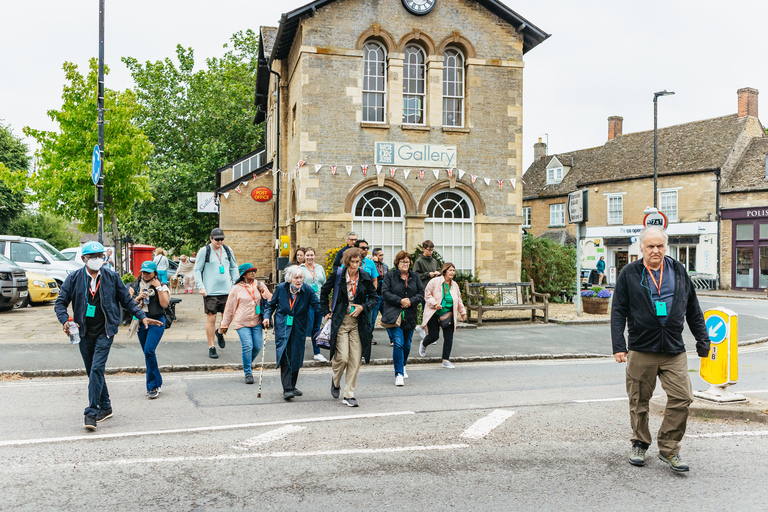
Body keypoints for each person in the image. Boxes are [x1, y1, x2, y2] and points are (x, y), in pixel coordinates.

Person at [611, 226, 710, 473]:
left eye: (659, 246)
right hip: (641, 348)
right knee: (639, 400)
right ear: (641, 248)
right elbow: (618, 311)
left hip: (673, 349)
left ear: (665, 247)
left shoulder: (678, 271)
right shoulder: (630, 273)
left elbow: (693, 309)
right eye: (650, 246)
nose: (655, 250)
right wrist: (618, 345)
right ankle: (640, 444)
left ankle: (669, 447)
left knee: (683, 397)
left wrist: (702, 340)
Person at [54, 241, 163, 430]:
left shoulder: (112, 277)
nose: (98, 260)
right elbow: (60, 303)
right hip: (83, 331)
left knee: (96, 369)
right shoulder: (74, 278)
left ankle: (91, 412)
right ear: (84, 259)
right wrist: (65, 320)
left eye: (100, 256)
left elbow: (127, 301)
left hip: (106, 331)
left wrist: (143, 317)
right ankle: (106, 406)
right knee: (92, 371)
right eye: (93, 257)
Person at [320, 247, 378, 407]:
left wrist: (363, 307)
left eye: (357, 262)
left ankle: (349, 395)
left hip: (358, 323)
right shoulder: (338, 275)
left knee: (355, 360)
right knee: (342, 357)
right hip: (341, 321)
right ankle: (335, 380)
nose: (354, 265)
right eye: (352, 262)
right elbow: (323, 292)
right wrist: (326, 311)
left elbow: (374, 297)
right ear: (347, 262)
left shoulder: (365, 276)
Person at [264, 267, 321, 400]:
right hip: (283, 325)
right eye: (296, 277)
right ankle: (287, 388)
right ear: (289, 279)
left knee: (296, 355)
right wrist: (267, 317)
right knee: (285, 355)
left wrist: (328, 314)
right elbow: (271, 305)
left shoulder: (307, 290)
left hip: (299, 327)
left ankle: (292, 385)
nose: (299, 280)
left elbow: (317, 305)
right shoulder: (281, 288)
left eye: (301, 277)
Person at [219, 263, 273, 384]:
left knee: (258, 346)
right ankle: (248, 372)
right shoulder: (236, 288)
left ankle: (246, 363)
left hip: (257, 321)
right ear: (244, 274)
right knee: (248, 345)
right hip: (242, 322)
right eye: (250, 271)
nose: (253, 273)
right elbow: (229, 308)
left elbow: (271, 299)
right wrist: (224, 325)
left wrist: (263, 291)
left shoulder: (260, 284)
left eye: (254, 271)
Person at [193, 227, 239, 359]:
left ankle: (220, 332)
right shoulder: (204, 251)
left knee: (227, 317)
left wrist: (235, 284)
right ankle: (211, 347)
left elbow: (233, 267)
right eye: (217, 239)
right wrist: (200, 286)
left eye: (222, 239)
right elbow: (197, 270)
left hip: (227, 290)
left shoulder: (227, 250)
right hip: (210, 291)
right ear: (211, 239)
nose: (220, 242)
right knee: (211, 317)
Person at [127, 261, 170, 399]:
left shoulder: (162, 286)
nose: (145, 275)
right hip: (141, 321)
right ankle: (157, 381)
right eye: (143, 272)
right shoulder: (135, 285)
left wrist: (158, 289)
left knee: (149, 351)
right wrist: (138, 298)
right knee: (148, 354)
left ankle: (152, 386)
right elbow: (128, 304)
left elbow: (164, 304)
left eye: (148, 272)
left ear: (154, 273)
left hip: (156, 322)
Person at [381, 251, 424, 386]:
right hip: (395, 314)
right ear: (397, 263)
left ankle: (403, 365)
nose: (405, 264)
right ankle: (398, 373)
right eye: (402, 261)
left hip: (410, 315)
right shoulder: (390, 276)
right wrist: (400, 301)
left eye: (407, 261)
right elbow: (385, 293)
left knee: (407, 344)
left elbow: (421, 293)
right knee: (398, 344)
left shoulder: (415, 277)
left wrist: (410, 301)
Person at [419, 262, 467, 368]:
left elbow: (458, 299)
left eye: (454, 270)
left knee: (448, 337)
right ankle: (424, 343)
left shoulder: (454, 285)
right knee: (434, 336)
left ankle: (445, 360)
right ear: (444, 271)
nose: (452, 272)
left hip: (448, 314)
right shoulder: (435, 281)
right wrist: (435, 304)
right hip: (434, 312)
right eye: (450, 270)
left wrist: (462, 312)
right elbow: (427, 294)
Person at [299, 247, 328, 362]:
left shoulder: (320, 268)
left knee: (316, 328)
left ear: (315, 256)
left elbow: (324, 284)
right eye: (307, 255)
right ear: (304, 256)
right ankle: (298, 352)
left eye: (312, 255)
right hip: (307, 302)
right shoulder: (300, 268)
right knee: (307, 327)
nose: (310, 257)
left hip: (319, 301)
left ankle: (317, 353)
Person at [369, 248, 389, 339]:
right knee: (372, 319)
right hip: (375, 296)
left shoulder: (385, 266)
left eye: (382, 255)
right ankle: (369, 337)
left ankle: (393, 339)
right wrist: (375, 263)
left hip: (384, 296)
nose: (382, 257)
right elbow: (374, 276)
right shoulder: (372, 265)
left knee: (388, 318)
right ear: (375, 256)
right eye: (380, 255)